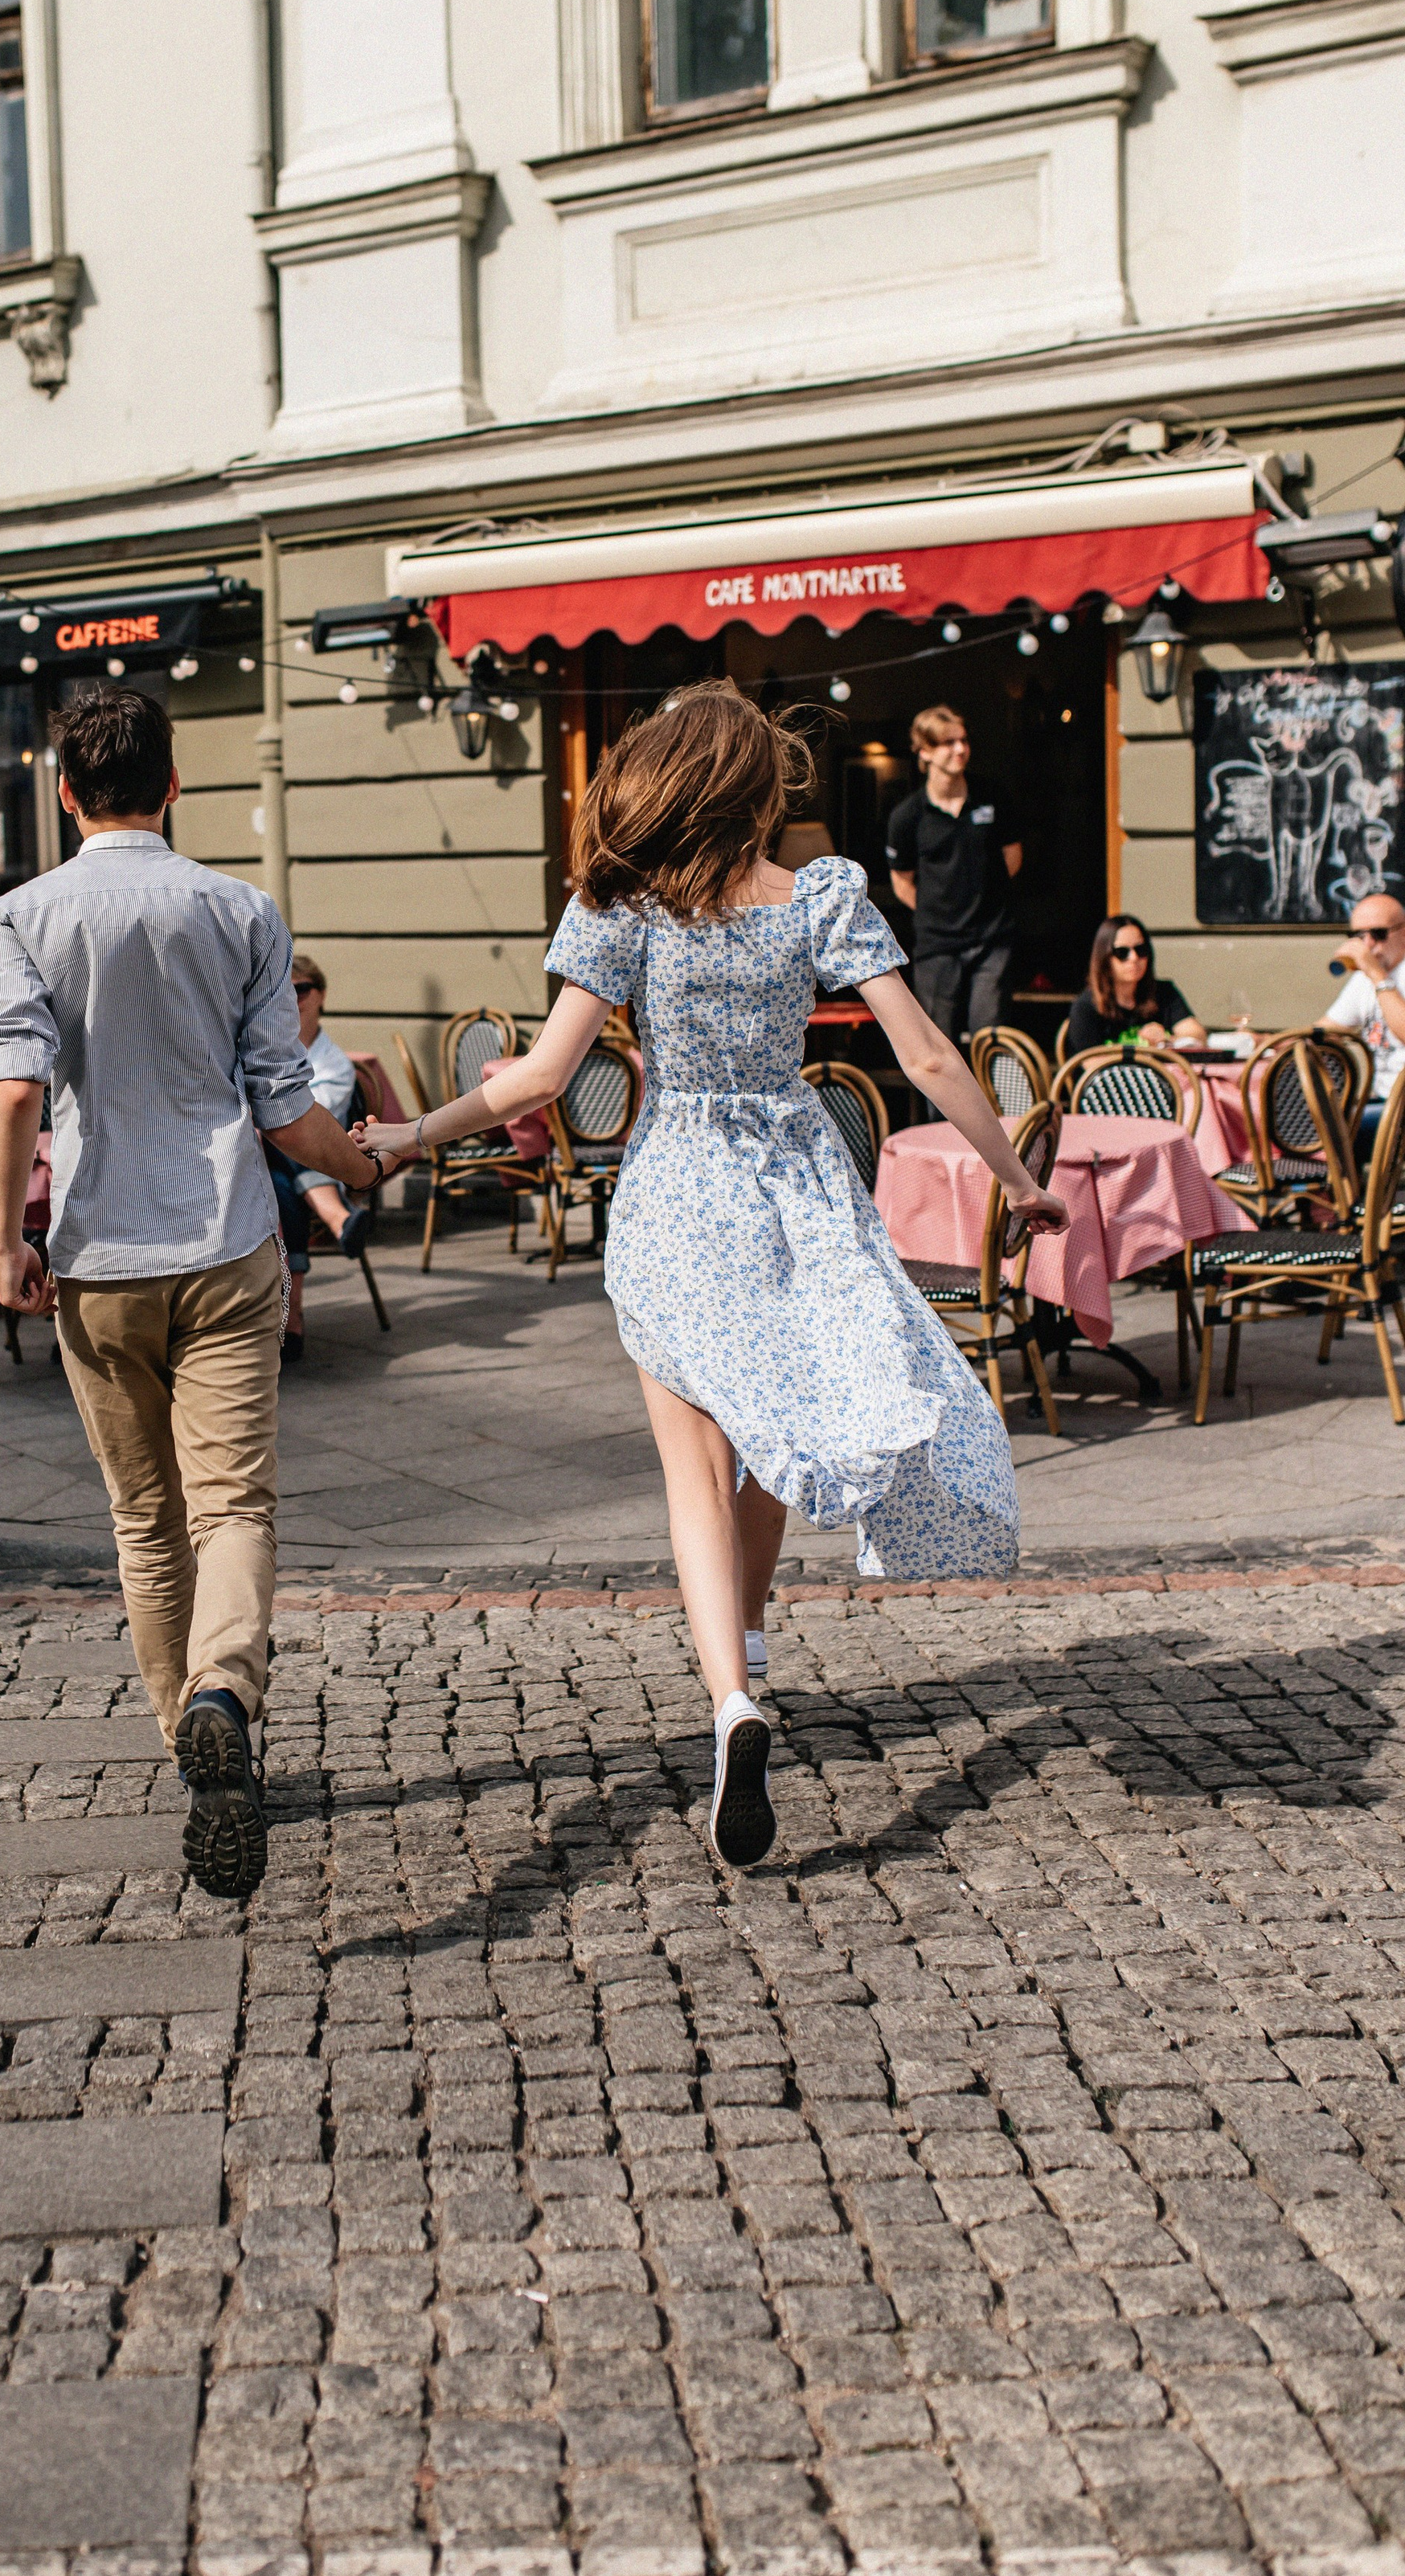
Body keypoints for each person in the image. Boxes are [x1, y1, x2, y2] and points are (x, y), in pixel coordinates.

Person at [354, 681, 1067, 1875]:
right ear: (756, 788)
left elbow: (536, 1078)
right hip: (792, 1183)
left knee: (694, 1466)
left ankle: (732, 1697)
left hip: (678, 1186)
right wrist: (1016, 1176)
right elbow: (929, 1051)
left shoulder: (620, 902)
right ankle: (749, 1638)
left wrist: (405, 1139)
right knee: (776, 1435)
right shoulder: (820, 893)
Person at [0, 685, 384, 1899]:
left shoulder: (19, 916)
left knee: (148, 1523)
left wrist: (10, 1239)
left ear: (65, 791)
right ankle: (227, 1691)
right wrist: (364, 1161)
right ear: (172, 783)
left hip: (99, 1255)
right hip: (224, 1243)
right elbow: (285, 1105)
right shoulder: (240, 911)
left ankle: (193, 1749)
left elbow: (11, 1093)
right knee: (234, 1504)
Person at [885, 706, 1023, 1048]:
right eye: (949, 743)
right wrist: (939, 910)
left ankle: (990, 1104)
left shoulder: (991, 797)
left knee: (989, 1042)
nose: (961, 749)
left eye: (963, 740)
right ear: (925, 750)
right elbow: (902, 881)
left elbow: (1013, 856)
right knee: (938, 1048)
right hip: (938, 945)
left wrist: (982, 897)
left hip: (992, 940)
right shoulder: (908, 816)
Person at [266, 955, 373, 1360]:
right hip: (276, 1165)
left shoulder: (333, 1063)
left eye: (302, 989)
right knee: (278, 1184)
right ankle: (338, 1219)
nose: (294, 998)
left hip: (320, 1157)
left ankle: (289, 1318)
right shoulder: (267, 1047)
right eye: (285, 990)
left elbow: (306, 1125)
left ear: (321, 995)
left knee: (289, 1146)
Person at [1325, 892, 1405, 1149]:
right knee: (1307, 1121)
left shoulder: (1378, 974)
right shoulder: (1366, 979)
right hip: (1382, 1099)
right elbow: (1328, 1029)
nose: (1368, 944)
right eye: (1359, 936)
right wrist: (1263, 1041)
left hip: (1399, 1107)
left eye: (1378, 934)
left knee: (1331, 1131)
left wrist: (1377, 975)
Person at [1063, 916, 1206, 1061]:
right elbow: (1091, 1064)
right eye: (1122, 953)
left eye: (1141, 949)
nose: (1134, 958)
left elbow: (1197, 1035)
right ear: (1105, 958)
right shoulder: (1086, 1006)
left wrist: (1168, 1041)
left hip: (1159, 1081)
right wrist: (1145, 1055)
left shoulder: (1164, 992)